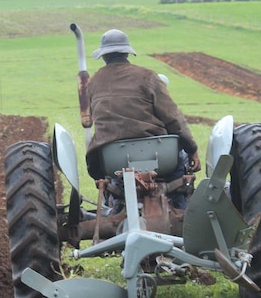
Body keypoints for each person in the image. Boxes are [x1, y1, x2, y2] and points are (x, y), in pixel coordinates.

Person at [84, 29, 201, 206]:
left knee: (114, 179)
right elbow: (173, 117)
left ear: (104, 56)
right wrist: (191, 149)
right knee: (180, 164)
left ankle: (118, 206)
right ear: (126, 53)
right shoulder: (147, 76)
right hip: (159, 156)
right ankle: (180, 208)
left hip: (114, 158)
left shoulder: (93, 82)